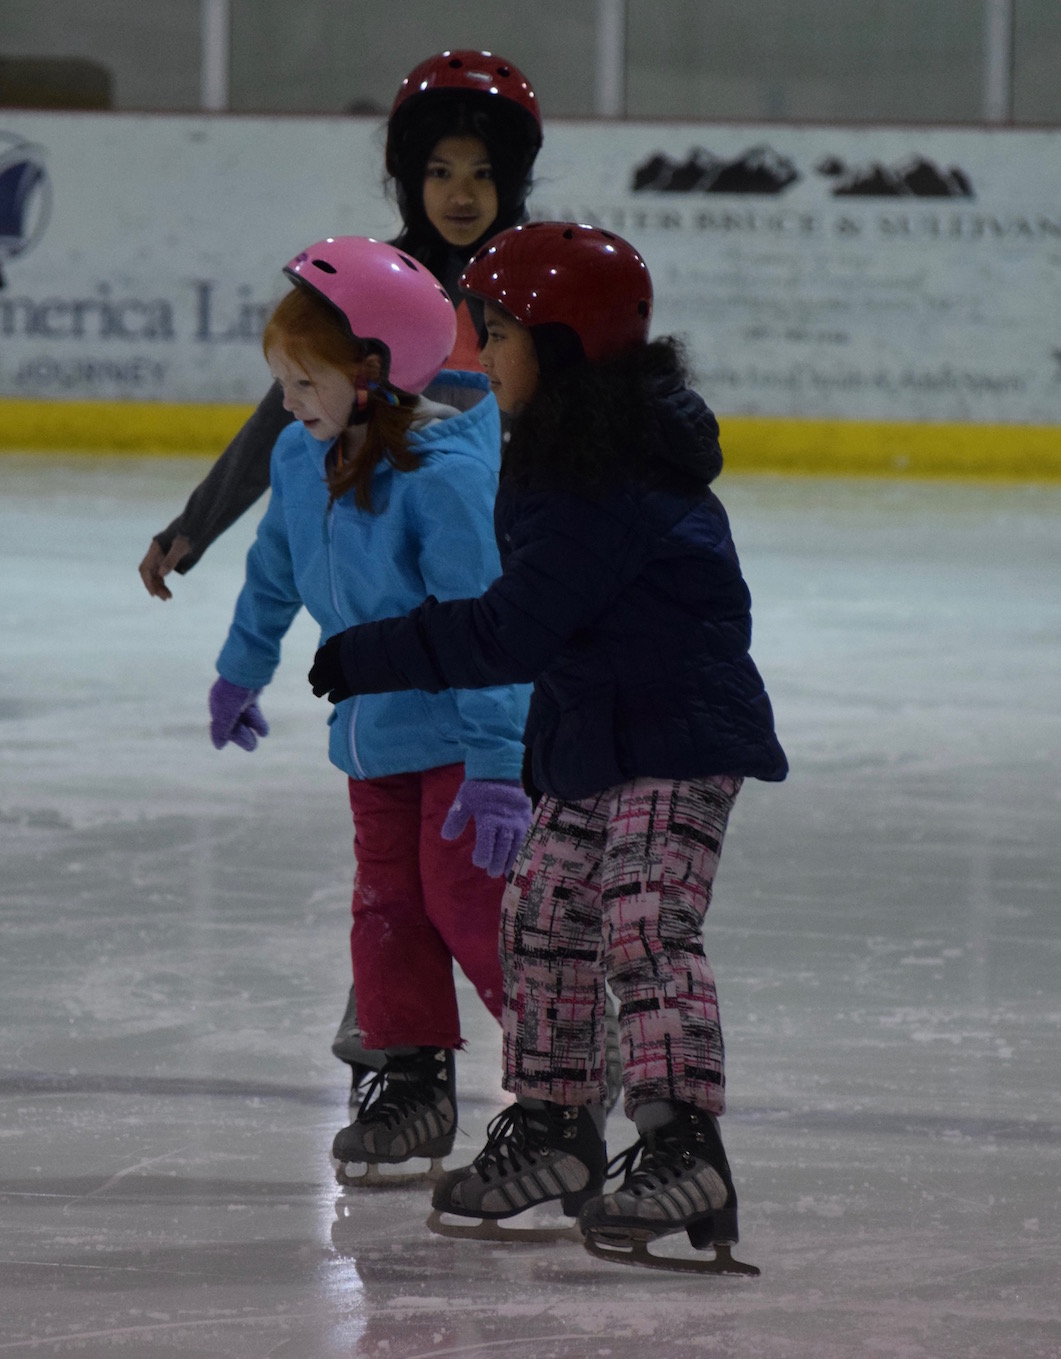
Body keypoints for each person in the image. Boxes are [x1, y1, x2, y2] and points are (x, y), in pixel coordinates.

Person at [305, 222, 788, 1271]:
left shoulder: (603, 470)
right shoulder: (560, 451)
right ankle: (557, 1125)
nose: (475, 359)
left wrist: (376, 652)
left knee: (641, 920)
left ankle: (680, 1144)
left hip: (674, 729)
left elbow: (512, 626)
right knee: (538, 917)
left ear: (561, 346)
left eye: (495, 334)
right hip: (589, 732)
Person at [137, 49, 544, 1100]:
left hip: (506, 614)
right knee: (392, 882)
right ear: (408, 177)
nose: (461, 194)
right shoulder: (364, 292)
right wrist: (198, 525)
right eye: (441, 171)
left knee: (467, 866)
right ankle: (399, 1059)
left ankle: (557, 1062)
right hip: (390, 654)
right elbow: (283, 431)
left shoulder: (531, 293)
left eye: (483, 175)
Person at [209, 235, 532, 1183]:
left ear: (374, 371)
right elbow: (272, 568)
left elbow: (487, 627)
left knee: (467, 905)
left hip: (459, 740)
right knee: (385, 908)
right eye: (282, 381)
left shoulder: (441, 476)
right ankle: (409, 1081)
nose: (289, 401)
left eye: (304, 381)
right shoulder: (300, 453)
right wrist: (242, 669)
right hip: (372, 736)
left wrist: (500, 762)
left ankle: (563, 1063)